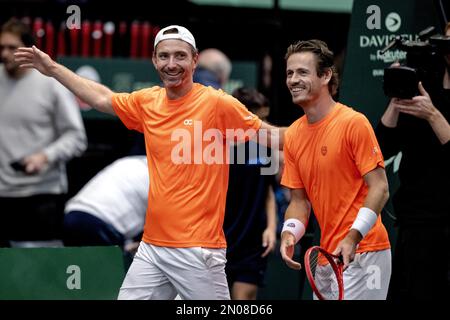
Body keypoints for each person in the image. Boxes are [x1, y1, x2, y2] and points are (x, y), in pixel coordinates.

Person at [15, 25, 283, 300]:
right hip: (152, 248)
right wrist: (53, 69)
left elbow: (274, 137)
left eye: (180, 56)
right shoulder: (147, 102)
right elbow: (102, 98)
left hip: (197, 249)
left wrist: (323, 132)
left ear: (194, 59)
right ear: (154, 61)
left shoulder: (218, 104)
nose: (171, 64)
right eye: (164, 56)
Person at [279, 39, 391, 300]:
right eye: (290, 73)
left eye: (302, 72)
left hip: (365, 250)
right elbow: (299, 201)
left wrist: (353, 237)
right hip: (327, 255)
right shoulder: (294, 133)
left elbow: (381, 187)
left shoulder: (353, 123)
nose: (293, 80)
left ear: (326, 75)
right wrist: (289, 233)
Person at [375, 23, 450, 301]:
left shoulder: (430, 104)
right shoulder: (423, 84)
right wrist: (396, 102)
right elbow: (380, 150)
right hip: (416, 222)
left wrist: (433, 115)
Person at [0, 18, 87, 247]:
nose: (5, 54)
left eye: (12, 48)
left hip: (42, 196)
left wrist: (44, 156)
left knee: (43, 274)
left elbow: (77, 138)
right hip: (2, 194)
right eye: (1, 48)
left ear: (27, 50)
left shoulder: (51, 84)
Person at [223, 87, 277, 300]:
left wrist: (272, 228)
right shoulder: (218, 146)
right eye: (258, 119)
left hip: (253, 242)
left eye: (266, 118)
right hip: (220, 239)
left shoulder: (266, 145)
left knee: (243, 298)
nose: (264, 125)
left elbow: (269, 191)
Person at [63, 156, 148, 249]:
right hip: (102, 223)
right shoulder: (160, 177)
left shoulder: (131, 162)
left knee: (78, 263)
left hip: (73, 215)